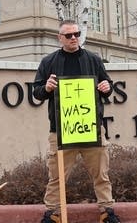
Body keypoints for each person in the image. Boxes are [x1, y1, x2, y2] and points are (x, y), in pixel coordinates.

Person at [33, 20, 121, 223]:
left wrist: (108, 87)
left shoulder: (93, 59)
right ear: (60, 38)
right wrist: (46, 88)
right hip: (61, 131)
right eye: (69, 35)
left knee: (101, 174)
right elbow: (36, 91)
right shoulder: (48, 62)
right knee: (56, 177)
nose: (74, 38)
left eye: (77, 34)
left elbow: (107, 84)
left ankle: (106, 212)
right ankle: (52, 214)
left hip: (91, 128)